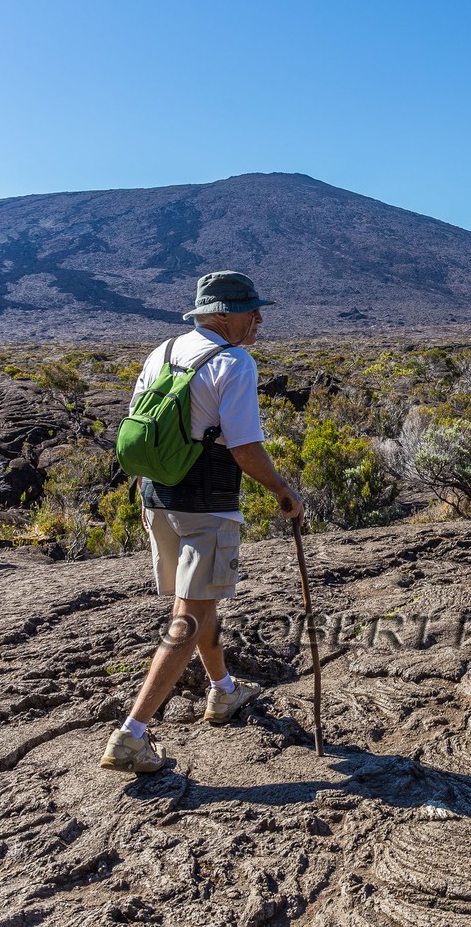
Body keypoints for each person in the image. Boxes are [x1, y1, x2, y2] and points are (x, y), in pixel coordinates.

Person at [100, 271, 305, 775]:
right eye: (249, 310)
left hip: (157, 501)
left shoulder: (164, 351)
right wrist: (283, 491)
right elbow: (244, 448)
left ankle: (223, 692)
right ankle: (131, 735)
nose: (258, 319)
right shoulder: (234, 362)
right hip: (207, 505)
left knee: (195, 602)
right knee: (188, 618)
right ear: (219, 314)